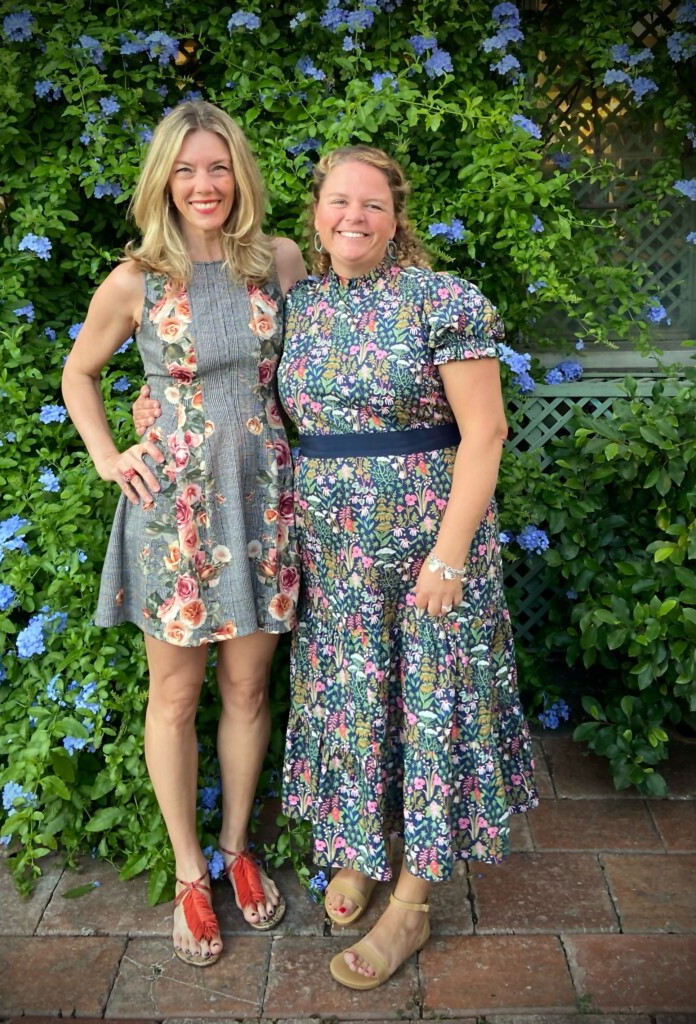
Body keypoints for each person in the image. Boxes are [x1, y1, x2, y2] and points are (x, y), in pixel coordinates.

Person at [134, 143, 539, 989]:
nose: (353, 217)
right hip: (332, 556)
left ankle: (413, 904)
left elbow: (487, 434)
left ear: (398, 220)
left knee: (430, 710)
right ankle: (354, 854)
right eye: (338, 203)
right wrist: (152, 405)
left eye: (373, 206)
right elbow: (226, 377)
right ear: (315, 215)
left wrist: (450, 556)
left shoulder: (444, 301)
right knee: (352, 704)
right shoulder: (301, 302)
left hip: (430, 553)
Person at [61, 100, 307, 968]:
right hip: (177, 514)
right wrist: (107, 453)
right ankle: (188, 872)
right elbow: (79, 371)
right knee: (173, 699)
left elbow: (309, 367)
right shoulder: (135, 279)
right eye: (186, 169)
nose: (204, 184)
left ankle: (238, 848)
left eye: (218, 167)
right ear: (163, 179)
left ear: (239, 174)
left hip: (265, 501)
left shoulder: (277, 262)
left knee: (246, 691)